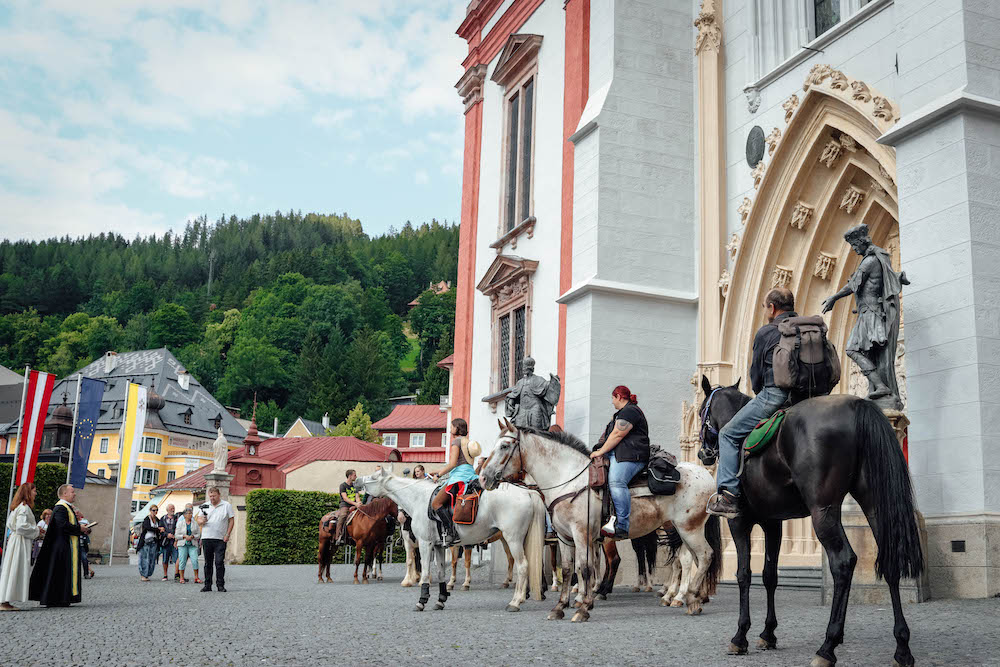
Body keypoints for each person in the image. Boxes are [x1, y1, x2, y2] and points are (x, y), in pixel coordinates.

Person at [707, 287, 796, 518]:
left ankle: (728, 496)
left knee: (726, 434)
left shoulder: (767, 332)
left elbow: (756, 375)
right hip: (806, 397)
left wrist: (760, 392)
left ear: (772, 308)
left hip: (775, 396)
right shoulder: (806, 329)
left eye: (766, 307)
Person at [590, 386, 651, 539]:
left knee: (616, 482)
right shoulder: (620, 414)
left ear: (618, 396)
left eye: (613, 398)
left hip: (631, 456)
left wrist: (600, 452)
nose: (612, 402)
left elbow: (617, 435)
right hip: (618, 455)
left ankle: (622, 525)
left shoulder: (630, 411)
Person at [28, 484, 90, 607]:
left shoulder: (66, 507)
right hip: (61, 546)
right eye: (72, 492)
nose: (74, 494)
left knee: (62, 573)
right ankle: (57, 598)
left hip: (65, 545)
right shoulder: (61, 508)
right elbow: (62, 526)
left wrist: (81, 528)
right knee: (59, 573)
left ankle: (62, 597)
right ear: (64, 494)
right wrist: (79, 528)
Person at [430, 419, 481, 546]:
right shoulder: (468, 442)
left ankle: (451, 533)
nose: (450, 429)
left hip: (458, 477)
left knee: (436, 503)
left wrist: (438, 475)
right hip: (470, 474)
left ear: (457, 428)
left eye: (452, 427)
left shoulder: (456, 442)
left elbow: (453, 464)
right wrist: (437, 470)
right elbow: (461, 463)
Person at [1, 483, 40, 611]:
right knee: (15, 569)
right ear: (28, 492)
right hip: (19, 542)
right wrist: (37, 530)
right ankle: (5, 601)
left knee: (11, 569)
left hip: (16, 540)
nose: (35, 493)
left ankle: (5, 599)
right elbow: (21, 526)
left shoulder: (18, 507)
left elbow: (11, 524)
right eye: (34, 491)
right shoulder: (24, 508)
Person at [195, 486, 234, 593]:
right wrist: (201, 521)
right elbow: (198, 520)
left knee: (219, 562)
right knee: (207, 563)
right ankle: (207, 585)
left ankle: (220, 585)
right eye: (210, 496)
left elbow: (231, 520)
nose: (212, 498)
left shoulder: (226, 505)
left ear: (219, 495)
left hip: (220, 538)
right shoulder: (205, 505)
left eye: (214, 496)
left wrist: (228, 534)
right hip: (207, 537)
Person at [333, 470, 362, 546]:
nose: (356, 476)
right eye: (354, 475)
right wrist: (355, 503)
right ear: (350, 476)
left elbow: (357, 496)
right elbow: (345, 498)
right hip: (345, 505)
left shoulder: (355, 486)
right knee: (343, 516)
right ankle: (338, 537)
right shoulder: (343, 486)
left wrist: (359, 503)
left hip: (354, 505)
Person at [174, 506, 201, 584]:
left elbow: (198, 534)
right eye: (188, 513)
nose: (190, 515)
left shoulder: (195, 523)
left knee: (195, 560)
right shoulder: (180, 523)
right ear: (184, 515)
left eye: (191, 513)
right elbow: (176, 535)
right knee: (182, 560)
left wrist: (192, 536)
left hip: (192, 544)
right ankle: (181, 577)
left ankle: (196, 577)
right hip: (183, 544)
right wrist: (184, 536)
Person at [138, 505, 164, 581]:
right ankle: (143, 575)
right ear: (150, 510)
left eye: (156, 510)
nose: (155, 512)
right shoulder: (147, 519)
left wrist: (160, 529)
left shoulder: (157, 520)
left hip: (154, 541)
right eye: (153, 510)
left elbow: (159, 528)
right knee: (144, 558)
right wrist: (158, 529)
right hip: (146, 541)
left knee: (152, 559)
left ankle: (148, 574)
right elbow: (147, 527)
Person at [159, 504, 179, 581]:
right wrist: (167, 535)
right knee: (165, 559)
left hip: (175, 541)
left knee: (177, 558)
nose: (173, 510)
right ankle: (165, 575)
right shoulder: (163, 519)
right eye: (171, 508)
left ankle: (177, 574)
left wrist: (174, 535)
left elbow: (179, 527)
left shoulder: (177, 518)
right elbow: (160, 530)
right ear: (167, 510)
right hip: (166, 541)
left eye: (173, 508)